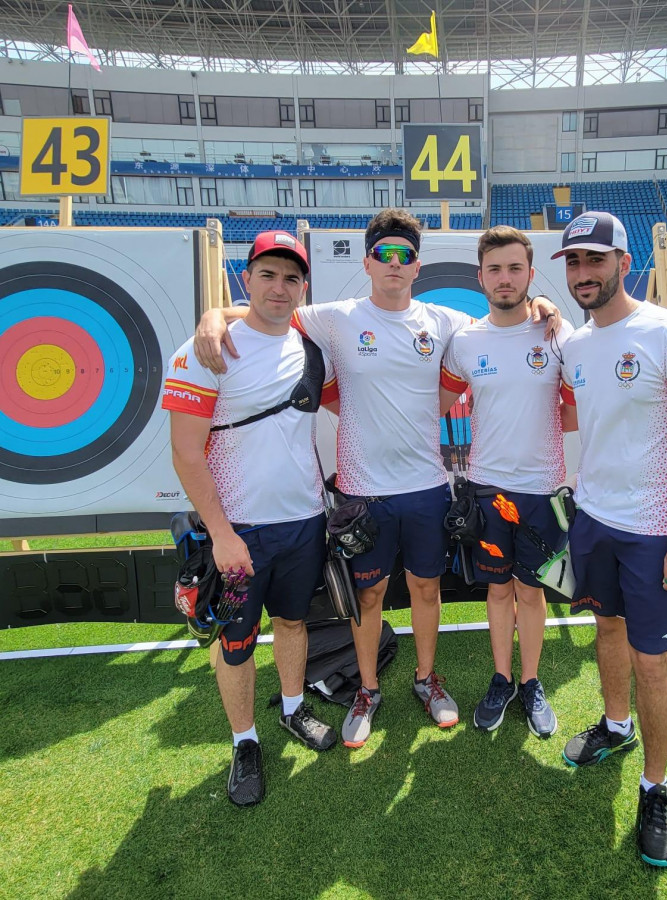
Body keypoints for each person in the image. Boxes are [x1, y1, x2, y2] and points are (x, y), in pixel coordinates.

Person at [193, 209, 562, 750]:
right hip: (363, 491)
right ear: (367, 262)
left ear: (417, 266)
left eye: (405, 255)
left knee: (426, 588)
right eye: (383, 254)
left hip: (426, 486)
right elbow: (266, 310)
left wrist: (542, 304)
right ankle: (367, 689)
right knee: (369, 598)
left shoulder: (445, 323)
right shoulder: (334, 317)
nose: (394, 263)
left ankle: (426, 678)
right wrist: (213, 316)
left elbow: (503, 323)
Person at [555, 211, 667, 866]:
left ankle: (655, 788)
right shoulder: (573, 344)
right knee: (605, 632)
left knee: (652, 659)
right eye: (572, 262)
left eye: (594, 260)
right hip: (593, 519)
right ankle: (616, 726)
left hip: (656, 531)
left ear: (624, 263)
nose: (583, 274)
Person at [162, 231, 338, 807]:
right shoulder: (206, 351)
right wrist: (221, 536)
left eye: (292, 278)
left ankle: (291, 709)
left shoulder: (311, 345)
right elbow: (186, 453)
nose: (279, 288)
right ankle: (244, 742)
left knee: (291, 623)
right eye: (268, 274)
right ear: (246, 278)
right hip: (238, 532)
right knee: (236, 642)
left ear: (304, 287)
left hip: (304, 522)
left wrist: (217, 311)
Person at [439, 225, 574, 738]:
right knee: (497, 591)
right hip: (487, 489)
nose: (505, 278)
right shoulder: (465, 341)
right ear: (480, 277)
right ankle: (501, 679)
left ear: (531, 275)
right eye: (494, 268)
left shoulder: (557, 334)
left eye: (515, 268)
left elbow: (580, 409)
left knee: (532, 591)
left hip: (543, 490)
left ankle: (532, 681)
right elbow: (435, 405)